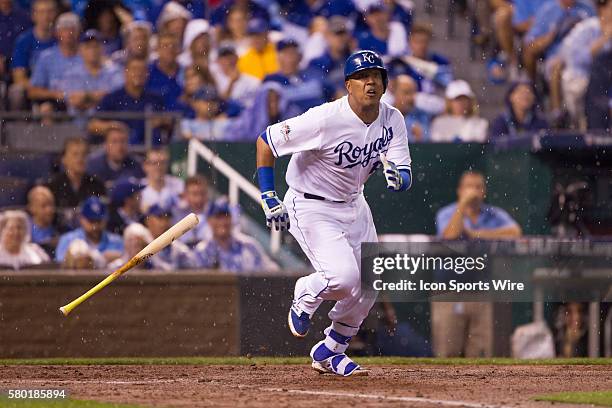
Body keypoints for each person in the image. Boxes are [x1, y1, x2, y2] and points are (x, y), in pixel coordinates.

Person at [255, 50, 412, 376]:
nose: (371, 81)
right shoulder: (325, 118)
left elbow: (404, 171)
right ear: (348, 85)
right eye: (363, 76)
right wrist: (268, 195)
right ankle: (305, 294)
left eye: (377, 76)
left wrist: (400, 179)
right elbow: (266, 141)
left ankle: (330, 351)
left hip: (354, 204)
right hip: (311, 204)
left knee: (370, 284)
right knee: (342, 280)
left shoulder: (392, 119)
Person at [433, 171, 521, 357]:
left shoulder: (493, 214)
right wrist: (463, 204)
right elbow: (450, 236)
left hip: (480, 290)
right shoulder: (447, 213)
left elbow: (515, 232)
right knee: (448, 351)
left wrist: (477, 234)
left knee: (480, 353)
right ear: (459, 190)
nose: (473, 191)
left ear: (484, 191)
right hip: (450, 290)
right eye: (468, 186)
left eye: (478, 187)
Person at [88, 57, 167, 145]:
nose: (138, 73)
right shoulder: (112, 98)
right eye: (134, 69)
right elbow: (93, 125)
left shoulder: (155, 99)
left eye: (142, 70)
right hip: (120, 152)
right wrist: (112, 126)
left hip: (150, 152)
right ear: (125, 73)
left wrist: (162, 121)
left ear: (147, 74)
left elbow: (168, 122)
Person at [558, 0, 612, 128]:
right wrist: (604, 38)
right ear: (602, 10)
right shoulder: (587, 28)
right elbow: (576, 59)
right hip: (582, 76)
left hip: (606, 81)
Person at [194, 197, 277, 273]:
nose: (223, 222)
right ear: (209, 221)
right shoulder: (202, 251)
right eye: (218, 217)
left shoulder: (249, 245)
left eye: (226, 216)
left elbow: (271, 271)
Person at [523, 0, 595, 79]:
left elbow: (598, 31)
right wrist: (549, 37)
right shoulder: (548, 10)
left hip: (584, 53)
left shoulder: (587, 8)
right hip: (557, 57)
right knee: (557, 67)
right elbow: (529, 46)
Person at [60, 29, 124, 116]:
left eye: (96, 46)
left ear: (102, 49)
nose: (92, 50)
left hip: (108, 123)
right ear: (80, 50)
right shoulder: (71, 73)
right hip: (78, 124)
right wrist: (100, 99)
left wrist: (86, 97)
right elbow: (74, 101)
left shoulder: (114, 71)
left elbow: (117, 98)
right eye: (88, 47)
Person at [9, 0, 57, 110]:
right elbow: (19, 78)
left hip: (58, 89)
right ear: (33, 16)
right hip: (33, 90)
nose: (46, 16)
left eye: (49, 12)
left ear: (55, 14)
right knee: (16, 91)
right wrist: (42, 91)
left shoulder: (62, 39)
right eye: (41, 12)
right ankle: (19, 125)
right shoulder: (23, 41)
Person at [28, 12, 82, 107]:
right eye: (65, 29)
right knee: (46, 108)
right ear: (57, 33)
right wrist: (55, 94)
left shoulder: (87, 55)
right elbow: (33, 91)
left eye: (73, 29)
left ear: (79, 32)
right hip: (56, 103)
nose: (69, 33)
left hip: (83, 102)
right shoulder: (46, 57)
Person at [263, 38, 328, 113]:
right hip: (291, 122)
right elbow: (269, 112)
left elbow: (335, 93)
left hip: (323, 118)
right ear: (278, 57)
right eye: (285, 53)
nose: (289, 57)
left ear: (300, 56)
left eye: (292, 52)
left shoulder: (314, 73)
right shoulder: (271, 80)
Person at [55, 196, 123, 264]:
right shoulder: (67, 240)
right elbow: (61, 266)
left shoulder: (117, 241)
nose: (95, 226)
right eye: (91, 221)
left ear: (105, 220)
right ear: (81, 219)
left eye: (99, 221)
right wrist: (99, 258)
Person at [47, 137, 106, 209]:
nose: (80, 158)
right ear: (64, 159)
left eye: (84, 154)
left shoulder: (97, 185)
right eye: (75, 154)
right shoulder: (53, 186)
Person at [86, 122, 145, 188]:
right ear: (106, 145)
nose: (119, 146)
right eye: (114, 141)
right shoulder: (93, 166)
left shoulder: (137, 166)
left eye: (123, 141)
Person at [306, 16, 353, 98]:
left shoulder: (355, 60)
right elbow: (316, 87)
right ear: (327, 36)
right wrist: (334, 92)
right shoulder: (317, 63)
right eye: (336, 34)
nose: (340, 38)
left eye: (343, 33)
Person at [143, 204, 196, 269]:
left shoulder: (177, 247)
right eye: (160, 218)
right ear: (148, 220)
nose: (164, 223)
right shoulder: (139, 238)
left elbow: (193, 265)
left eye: (167, 219)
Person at [212, 43, 260, 108]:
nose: (228, 60)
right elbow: (219, 105)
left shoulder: (252, 81)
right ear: (218, 61)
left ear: (237, 57)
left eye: (230, 55)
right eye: (224, 56)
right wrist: (231, 83)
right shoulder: (213, 80)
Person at [140, 147, 184, 212]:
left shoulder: (178, 184)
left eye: (162, 163)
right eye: (154, 163)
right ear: (145, 165)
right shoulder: (138, 188)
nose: (159, 167)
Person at [392, 74, 433, 142]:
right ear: (395, 93)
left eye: (413, 93)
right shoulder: (384, 114)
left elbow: (427, 139)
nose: (410, 98)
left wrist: (419, 137)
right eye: (406, 93)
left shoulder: (422, 115)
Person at [172, 175, 210, 247]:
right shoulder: (177, 214)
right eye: (194, 194)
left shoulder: (215, 215)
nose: (199, 199)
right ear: (186, 195)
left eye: (202, 193)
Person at [148, 32, 182, 108]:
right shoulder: (148, 72)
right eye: (165, 46)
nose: (170, 50)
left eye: (173, 46)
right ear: (157, 49)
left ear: (179, 49)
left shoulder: (186, 72)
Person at [27, 185, 62, 257]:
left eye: (51, 205)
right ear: (31, 208)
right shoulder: (24, 231)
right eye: (44, 206)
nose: (49, 210)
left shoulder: (60, 230)